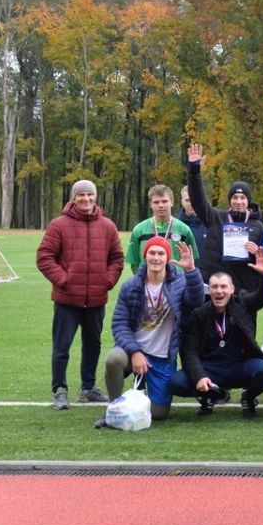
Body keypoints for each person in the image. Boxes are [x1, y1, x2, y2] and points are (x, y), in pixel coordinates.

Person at [35, 179, 125, 410]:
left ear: (95, 197)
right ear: (73, 198)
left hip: (96, 300)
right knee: (62, 346)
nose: (86, 199)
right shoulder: (59, 225)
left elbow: (117, 258)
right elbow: (44, 256)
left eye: (89, 195)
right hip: (67, 300)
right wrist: (64, 280)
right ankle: (60, 390)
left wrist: (106, 281)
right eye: (81, 195)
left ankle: (88, 388)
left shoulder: (107, 226)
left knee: (93, 345)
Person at [99, 236, 203, 426]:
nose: (156, 258)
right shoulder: (131, 286)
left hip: (162, 356)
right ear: (145, 256)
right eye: (152, 253)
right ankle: (114, 409)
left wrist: (191, 271)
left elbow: (196, 303)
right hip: (133, 351)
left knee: (158, 413)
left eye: (161, 254)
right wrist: (135, 352)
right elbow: (120, 324)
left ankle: (141, 391)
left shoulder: (179, 282)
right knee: (114, 359)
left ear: (167, 257)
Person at [173, 259, 263, 418]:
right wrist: (200, 377)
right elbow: (189, 352)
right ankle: (210, 395)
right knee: (176, 383)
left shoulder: (242, 304)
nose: (219, 291)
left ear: (232, 289)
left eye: (223, 287)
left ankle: (248, 397)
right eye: (214, 287)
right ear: (209, 290)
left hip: (239, 366)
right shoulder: (199, 314)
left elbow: (262, 297)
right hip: (210, 368)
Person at [186, 143, 263, 299]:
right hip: (213, 287)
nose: (238, 201)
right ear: (230, 200)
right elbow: (197, 201)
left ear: (248, 201)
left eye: (243, 198)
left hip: (242, 291)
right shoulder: (215, 217)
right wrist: (194, 172)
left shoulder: (258, 226)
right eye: (235, 197)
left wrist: (256, 253)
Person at [126, 184, 199, 273]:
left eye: (164, 201)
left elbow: (191, 261)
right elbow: (135, 263)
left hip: (176, 280)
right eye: (156, 202)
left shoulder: (184, 230)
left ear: (172, 202)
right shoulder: (139, 230)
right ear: (150, 204)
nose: (160, 205)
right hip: (147, 280)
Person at [177, 185, 208, 254]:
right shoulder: (176, 226)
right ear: (182, 202)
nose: (191, 203)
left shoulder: (210, 223)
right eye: (187, 200)